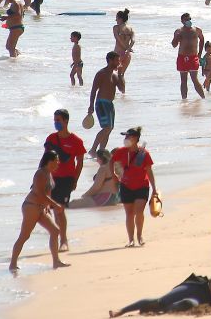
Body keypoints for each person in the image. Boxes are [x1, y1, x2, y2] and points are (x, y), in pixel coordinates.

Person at [7, 150, 71, 273]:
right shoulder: (40, 174)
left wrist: (48, 206)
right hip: (31, 206)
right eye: (56, 160)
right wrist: (55, 205)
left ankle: (56, 261)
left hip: (41, 207)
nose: (58, 163)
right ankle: (13, 263)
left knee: (55, 230)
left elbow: (48, 191)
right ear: (50, 161)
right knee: (24, 236)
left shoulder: (49, 173)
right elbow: (39, 193)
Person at [43, 109, 85, 251]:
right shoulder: (51, 139)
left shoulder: (76, 141)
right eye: (55, 120)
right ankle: (58, 237)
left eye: (58, 120)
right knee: (54, 209)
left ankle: (63, 239)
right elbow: (45, 160)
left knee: (59, 209)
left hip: (66, 179)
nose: (56, 123)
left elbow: (79, 162)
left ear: (66, 121)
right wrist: (42, 177)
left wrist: (75, 179)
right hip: (51, 178)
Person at [111, 126, 156, 248]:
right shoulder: (121, 151)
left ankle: (140, 236)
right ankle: (131, 239)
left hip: (142, 185)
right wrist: (114, 175)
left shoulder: (144, 153)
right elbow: (111, 161)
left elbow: (149, 171)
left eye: (128, 136)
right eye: (125, 136)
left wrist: (154, 189)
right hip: (126, 185)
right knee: (129, 213)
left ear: (135, 138)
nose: (125, 138)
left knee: (139, 211)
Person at [86, 51, 124, 157]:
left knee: (109, 129)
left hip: (110, 104)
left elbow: (122, 89)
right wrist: (91, 105)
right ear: (110, 60)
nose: (119, 62)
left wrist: (121, 74)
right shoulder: (101, 73)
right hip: (101, 103)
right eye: (117, 60)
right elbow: (93, 90)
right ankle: (93, 150)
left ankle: (101, 151)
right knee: (106, 128)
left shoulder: (115, 75)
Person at [172, 13, 206, 99]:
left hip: (193, 57)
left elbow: (202, 39)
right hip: (182, 57)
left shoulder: (197, 30)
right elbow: (174, 45)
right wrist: (177, 37)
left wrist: (200, 53)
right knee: (183, 80)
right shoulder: (179, 31)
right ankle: (184, 100)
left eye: (189, 19)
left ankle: (203, 98)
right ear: (182, 21)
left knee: (195, 79)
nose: (188, 21)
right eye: (186, 20)